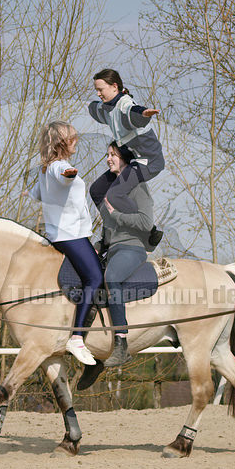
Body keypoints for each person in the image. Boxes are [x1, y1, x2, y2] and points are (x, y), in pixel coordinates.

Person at [27, 121, 103, 366]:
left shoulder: (44, 169)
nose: (76, 141)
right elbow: (63, 177)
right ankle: (77, 337)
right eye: (72, 138)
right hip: (69, 236)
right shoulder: (59, 167)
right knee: (95, 278)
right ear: (62, 143)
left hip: (70, 234)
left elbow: (37, 194)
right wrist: (68, 175)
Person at [89, 68, 164, 248]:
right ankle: (110, 230)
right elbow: (96, 110)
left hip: (148, 161)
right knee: (97, 190)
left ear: (115, 87)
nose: (98, 94)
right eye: (96, 90)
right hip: (133, 159)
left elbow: (134, 113)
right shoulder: (109, 107)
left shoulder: (124, 103)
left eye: (101, 90)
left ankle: (149, 230)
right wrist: (92, 106)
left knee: (115, 194)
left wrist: (144, 113)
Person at [100, 141, 155, 367]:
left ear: (124, 158)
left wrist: (117, 215)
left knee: (111, 277)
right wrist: (98, 245)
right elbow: (109, 227)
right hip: (113, 249)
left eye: (112, 154)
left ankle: (121, 343)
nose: (108, 159)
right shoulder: (113, 189)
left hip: (132, 248)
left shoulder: (138, 187)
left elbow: (146, 222)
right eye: (107, 155)